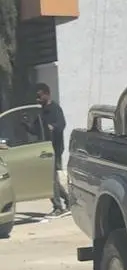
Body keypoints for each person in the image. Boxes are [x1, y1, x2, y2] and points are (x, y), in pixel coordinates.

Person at [36, 83, 68, 215]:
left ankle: (58, 207)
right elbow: (35, 129)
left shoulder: (55, 108)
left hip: (54, 149)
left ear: (46, 94)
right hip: (43, 150)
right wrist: (25, 124)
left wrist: (53, 127)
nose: (37, 99)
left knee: (50, 179)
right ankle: (68, 200)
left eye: (39, 96)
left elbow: (62, 124)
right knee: (51, 178)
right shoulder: (41, 111)